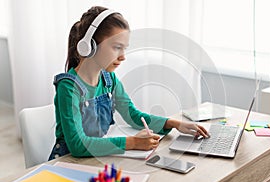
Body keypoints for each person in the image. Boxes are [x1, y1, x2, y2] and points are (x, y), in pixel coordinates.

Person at [48, 6, 209, 160]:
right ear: (90, 46)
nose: (123, 56)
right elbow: (77, 145)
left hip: (97, 158)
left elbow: (132, 115)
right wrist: (132, 142)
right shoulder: (69, 87)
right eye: (117, 47)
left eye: (124, 48)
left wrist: (173, 123)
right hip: (68, 161)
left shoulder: (109, 80)